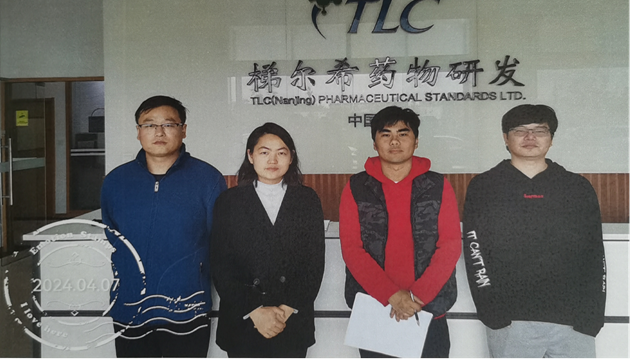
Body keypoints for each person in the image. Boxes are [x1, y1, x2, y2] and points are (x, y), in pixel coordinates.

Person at [463, 104, 606, 359]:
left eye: (540, 130)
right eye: (520, 130)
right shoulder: (485, 186)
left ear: (551, 138)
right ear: (505, 138)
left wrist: (592, 316)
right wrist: (491, 312)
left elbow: (594, 253)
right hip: (509, 321)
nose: (530, 137)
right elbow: (475, 250)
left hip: (573, 322)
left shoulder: (577, 187)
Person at [100, 95, 226, 358]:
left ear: (183, 130)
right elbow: (113, 236)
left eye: (168, 124)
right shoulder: (116, 181)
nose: (159, 132)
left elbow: (219, 241)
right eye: (149, 125)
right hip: (130, 305)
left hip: (187, 307)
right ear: (138, 132)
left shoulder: (208, 179)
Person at [339, 106, 461, 359]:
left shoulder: (437, 185)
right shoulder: (357, 186)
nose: (394, 141)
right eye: (386, 134)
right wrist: (391, 295)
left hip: (428, 310)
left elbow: (450, 244)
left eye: (403, 134)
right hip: (375, 308)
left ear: (416, 142)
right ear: (375, 144)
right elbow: (352, 248)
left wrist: (417, 297)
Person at [210, 122, 326, 359]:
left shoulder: (307, 199)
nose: (273, 160)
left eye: (281, 153)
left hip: (290, 320)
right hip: (244, 321)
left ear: (291, 157)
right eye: (264, 152)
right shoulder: (229, 201)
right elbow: (221, 264)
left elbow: (314, 263)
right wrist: (255, 311)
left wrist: (285, 309)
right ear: (250, 156)